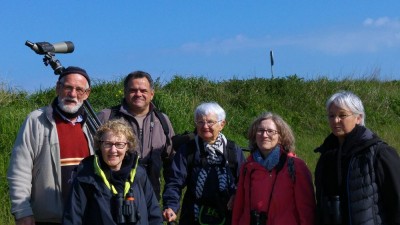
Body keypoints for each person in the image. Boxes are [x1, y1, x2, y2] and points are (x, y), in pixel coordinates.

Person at [7, 66, 94, 225]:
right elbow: (20, 169)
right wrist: (22, 211)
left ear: (86, 94)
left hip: (87, 216)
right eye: (68, 87)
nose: (73, 94)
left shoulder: (92, 125)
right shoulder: (36, 120)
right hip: (49, 218)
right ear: (58, 88)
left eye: (79, 90)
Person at [314, 91, 400, 225]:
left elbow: (397, 201)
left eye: (342, 115)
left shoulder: (379, 153)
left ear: (358, 118)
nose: (335, 120)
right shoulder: (326, 156)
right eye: (331, 115)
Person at [63, 118, 162, 225]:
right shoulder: (85, 177)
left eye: (119, 144)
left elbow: (154, 216)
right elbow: (72, 219)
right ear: (100, 146)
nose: (113, 150)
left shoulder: (140, 174)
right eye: (108, 144)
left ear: (127, 146)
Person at [162, 102, 245, 225]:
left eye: (210, 122)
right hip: (193, 216)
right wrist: (171, 206)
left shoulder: (233, 150)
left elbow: (243, 181)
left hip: (227, 215)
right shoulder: (188, 150)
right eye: (200, 122)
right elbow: (175, 181)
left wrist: (236, 195)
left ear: (222, 124)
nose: (205, 126)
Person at [97, 70, 175, 200]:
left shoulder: (162, 121)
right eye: (133, 90)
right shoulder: (107, 116)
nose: (138, 94)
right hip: (112, 194)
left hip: (151, 196)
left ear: (152, 94)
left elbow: (171, 162)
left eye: (143, 90)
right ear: (125, 92)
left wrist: (170, 200)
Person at [232, 112, 315, 225]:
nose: (264, 135)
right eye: (260, 131)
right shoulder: (247, 167)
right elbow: (239, 207)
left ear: (281, 136)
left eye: (270, 131)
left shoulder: (296, 166)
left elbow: (306, 211)